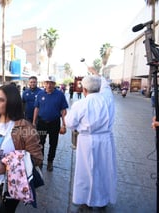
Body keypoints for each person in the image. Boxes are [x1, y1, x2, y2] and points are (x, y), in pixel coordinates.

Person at [0, 84, 43, 212]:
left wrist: (7, 167)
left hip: (11, 183)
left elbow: (36, 158)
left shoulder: (25, 128)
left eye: (1, 100)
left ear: (12, 102)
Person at [65, 67, 117, 210]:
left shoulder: (81, 104)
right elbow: (105, 85)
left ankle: (86, 199)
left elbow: (69, 123)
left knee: (86, 171)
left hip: (87, 141)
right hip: (106, 141)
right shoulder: (108, 99)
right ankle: (103, 199)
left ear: (84, 90)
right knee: (104, 169)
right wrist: (96, 73)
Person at [32, 75, 68, 172]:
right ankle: (40, 161)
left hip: (54, 123)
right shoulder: (40, 94)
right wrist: (34, 122)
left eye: (51, 83)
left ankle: (50, 161)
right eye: (47, 83)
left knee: (53, 143)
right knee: (41, 143)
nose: (49, 85)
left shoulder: (60, 95)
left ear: (54, 84)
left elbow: (63, 110)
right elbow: (36, 108)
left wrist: (64, 125)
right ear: (44, 83)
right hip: (42, 123)